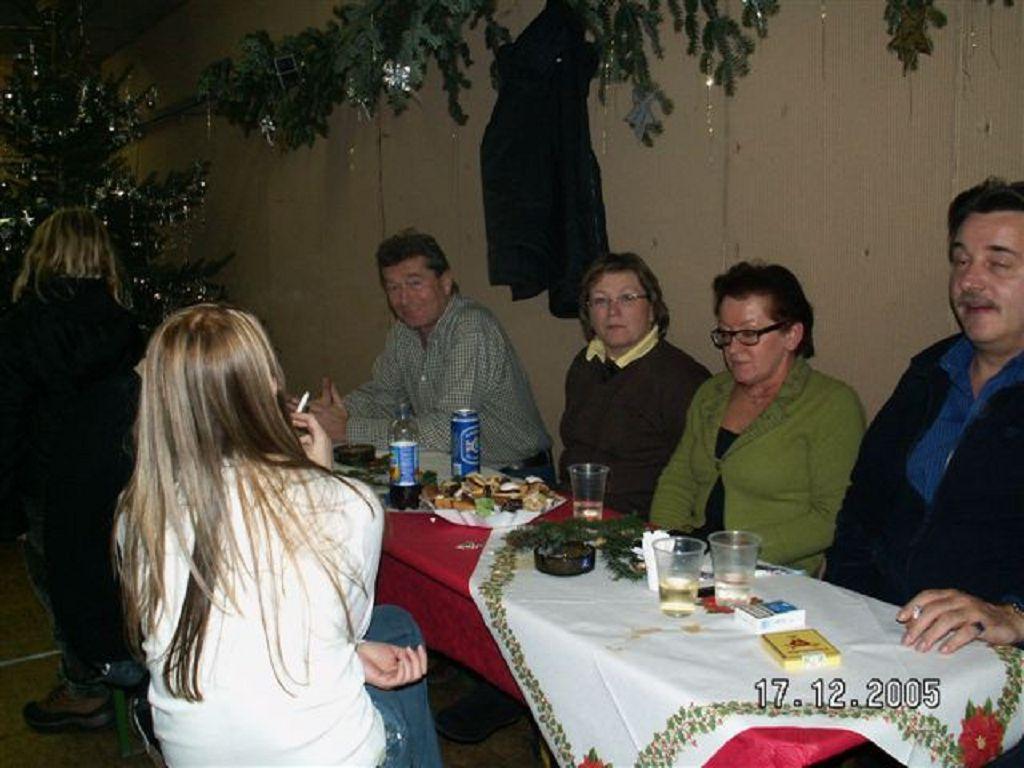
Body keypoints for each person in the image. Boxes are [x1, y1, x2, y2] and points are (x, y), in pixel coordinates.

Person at [116, 304, 442, 767]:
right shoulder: (349, 503)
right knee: (395, 629)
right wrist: (322, 476)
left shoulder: (138, 513)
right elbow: (343, 627)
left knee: (384, 632)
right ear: (271, 387)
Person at [827, 178, 1024, 657]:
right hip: (879, 633)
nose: (970, 281)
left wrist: (1013, 615)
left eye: (998, 263)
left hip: (990, 660)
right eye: (961, 261)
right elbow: (863, 507)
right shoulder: (930, 373)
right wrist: (843, 606)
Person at [0, 208, 145, 731]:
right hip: (114, 473)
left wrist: (6, 502)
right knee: (111, 575)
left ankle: (85, 686)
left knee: (60, 584)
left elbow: (8, 417)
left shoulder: (22, 326)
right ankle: (121, 662)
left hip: (47, 480)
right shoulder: (123, 324)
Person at [650, 261, 865, 574]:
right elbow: (679, 480)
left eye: (749, 334)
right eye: (726, 334)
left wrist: (733, 555)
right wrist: (664, 545)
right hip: (695, 558)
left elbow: (831, 517)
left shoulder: (831, 404)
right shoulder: (711, 393)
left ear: (792, 335)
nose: (733, 349)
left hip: (772, 570)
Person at [310, 228, 553, 477]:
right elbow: (384, 396)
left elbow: (447, 431)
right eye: (393, 288)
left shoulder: (471, 327)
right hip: (460, 472)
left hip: (517, 476)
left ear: (445, 283)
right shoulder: (403, 333)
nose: (404, 299)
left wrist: (348, 430)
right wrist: (323, 415)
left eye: (415, 283)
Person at [559, 252, 709, 517]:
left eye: (627, 298)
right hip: (570, 507)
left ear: (652, 310)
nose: (613, 311)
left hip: (638, 521)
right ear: (588, 313)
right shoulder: (584, 364)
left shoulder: (682, 379)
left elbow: (695, 480)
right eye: (601, 300)